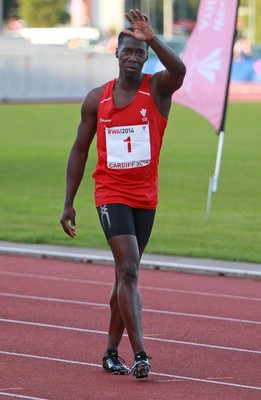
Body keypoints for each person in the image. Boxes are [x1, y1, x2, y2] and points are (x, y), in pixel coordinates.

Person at [60, 8, 186, 379]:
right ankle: (142, 353)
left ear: (146, 57)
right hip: (110, 191)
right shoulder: (96, 99)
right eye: (127, 51)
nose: (133, 58)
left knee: (124, 276)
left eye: (140, 53)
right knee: (129, 268)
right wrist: (69, 201)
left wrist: (154, 39)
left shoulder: (158, 89)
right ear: (116, 54)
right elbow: (80, 149)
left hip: (145, 196)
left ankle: (111, 351)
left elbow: (179, 71)